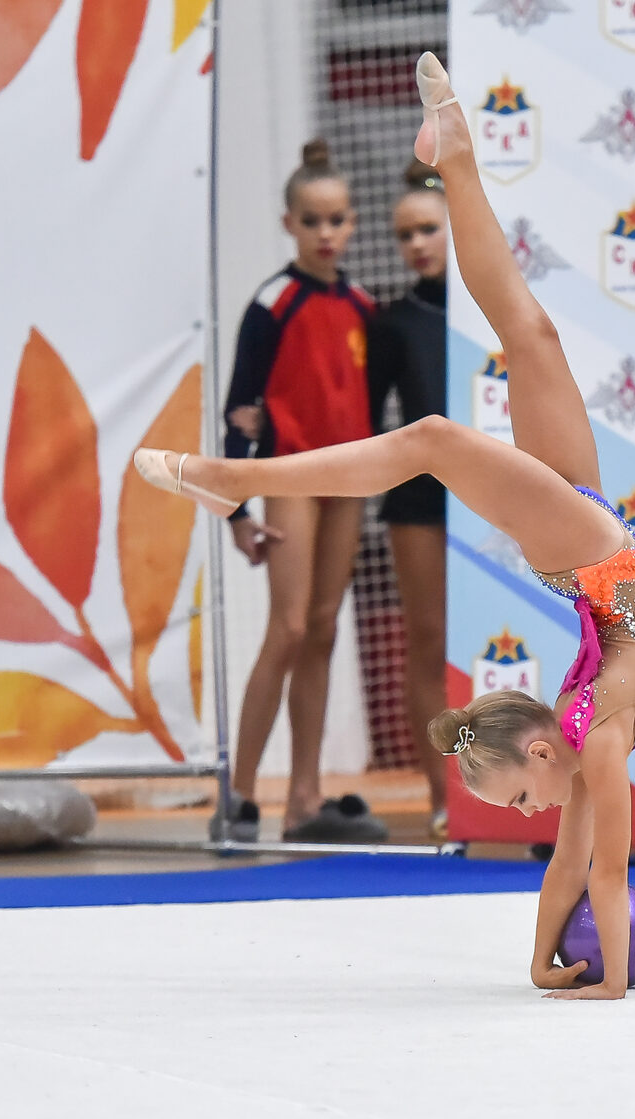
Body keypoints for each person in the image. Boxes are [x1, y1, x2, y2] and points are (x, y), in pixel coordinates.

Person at [136, 54, 635, 999]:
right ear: (538, 751)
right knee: (520, 342)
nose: (531, 810)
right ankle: (457, 160)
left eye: (515, 800)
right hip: (597, 551)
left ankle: (229, 477)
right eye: (523, 798)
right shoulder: (594, 744)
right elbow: (596, 872)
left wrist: (549, 964)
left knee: (464, 407)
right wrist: (586, 977)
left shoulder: (589, 742)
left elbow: (582, 868)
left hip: (592, 556)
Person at [213, 138, 388, 844]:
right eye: (313, 220)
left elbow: (368, 402)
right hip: (291, 475)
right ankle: (240, 792)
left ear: (352, 225)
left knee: (323, 628)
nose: (326, 233)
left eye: (338, 219)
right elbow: (239, 407)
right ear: (289, 223)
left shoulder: (363, 307)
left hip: (347, 483)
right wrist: (236, 509)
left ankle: (305, 799)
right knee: (286, 628)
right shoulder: (272, 302)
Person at [367, 159, 451, 838]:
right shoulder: (395, 321)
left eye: (427, 229)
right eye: (404, 235)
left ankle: (519, 787)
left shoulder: (491, 310)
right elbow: (366, 422)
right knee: (427, 642)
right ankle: (442, 793)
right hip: (420, 501)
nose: (416, 244)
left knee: (497, 641)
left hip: (497, 497)